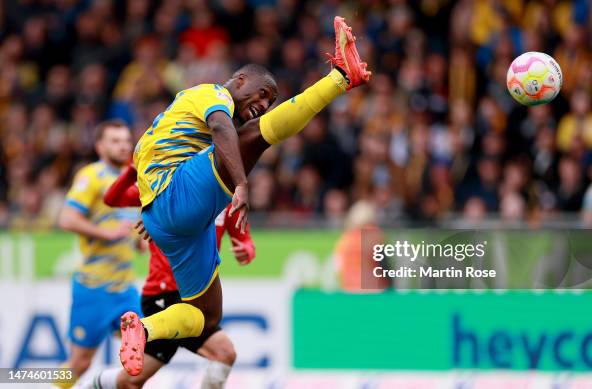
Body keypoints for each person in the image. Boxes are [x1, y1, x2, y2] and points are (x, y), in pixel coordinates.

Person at [120, 16, 370, 376]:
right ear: (239, 80)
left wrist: (154, 209)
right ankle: (341, 78)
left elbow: (145, 155)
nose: (263, 104)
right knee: (253, 136)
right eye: (262, 94)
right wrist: (241, 183)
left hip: (175, 224)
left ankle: (144, 329)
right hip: (175, 201)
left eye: (270, 102)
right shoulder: (211, 94)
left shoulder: (178, 125)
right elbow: (222, 129)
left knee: (206, 316)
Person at [82, 164, 254, 389]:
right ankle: (138, 332)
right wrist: (133, 170)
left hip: (195, 294)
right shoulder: (164, 189)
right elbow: (113, 198)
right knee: (224, 353)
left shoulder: (227, 197)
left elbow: (245, 239)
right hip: (165, 293)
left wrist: (247, 250)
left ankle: (92, 385)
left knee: (132, 381)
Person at [56, 120, 140, 388]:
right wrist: (108, 233)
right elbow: (67, 219)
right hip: (93, 287)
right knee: (80, 363)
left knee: (142, 354)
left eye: (126, 140)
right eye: (114, 141)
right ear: (99, 146)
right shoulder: (91, 176)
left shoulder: (135, 177)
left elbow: (134, 226)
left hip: (125, 287)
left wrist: (141, 240)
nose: (123, 145)